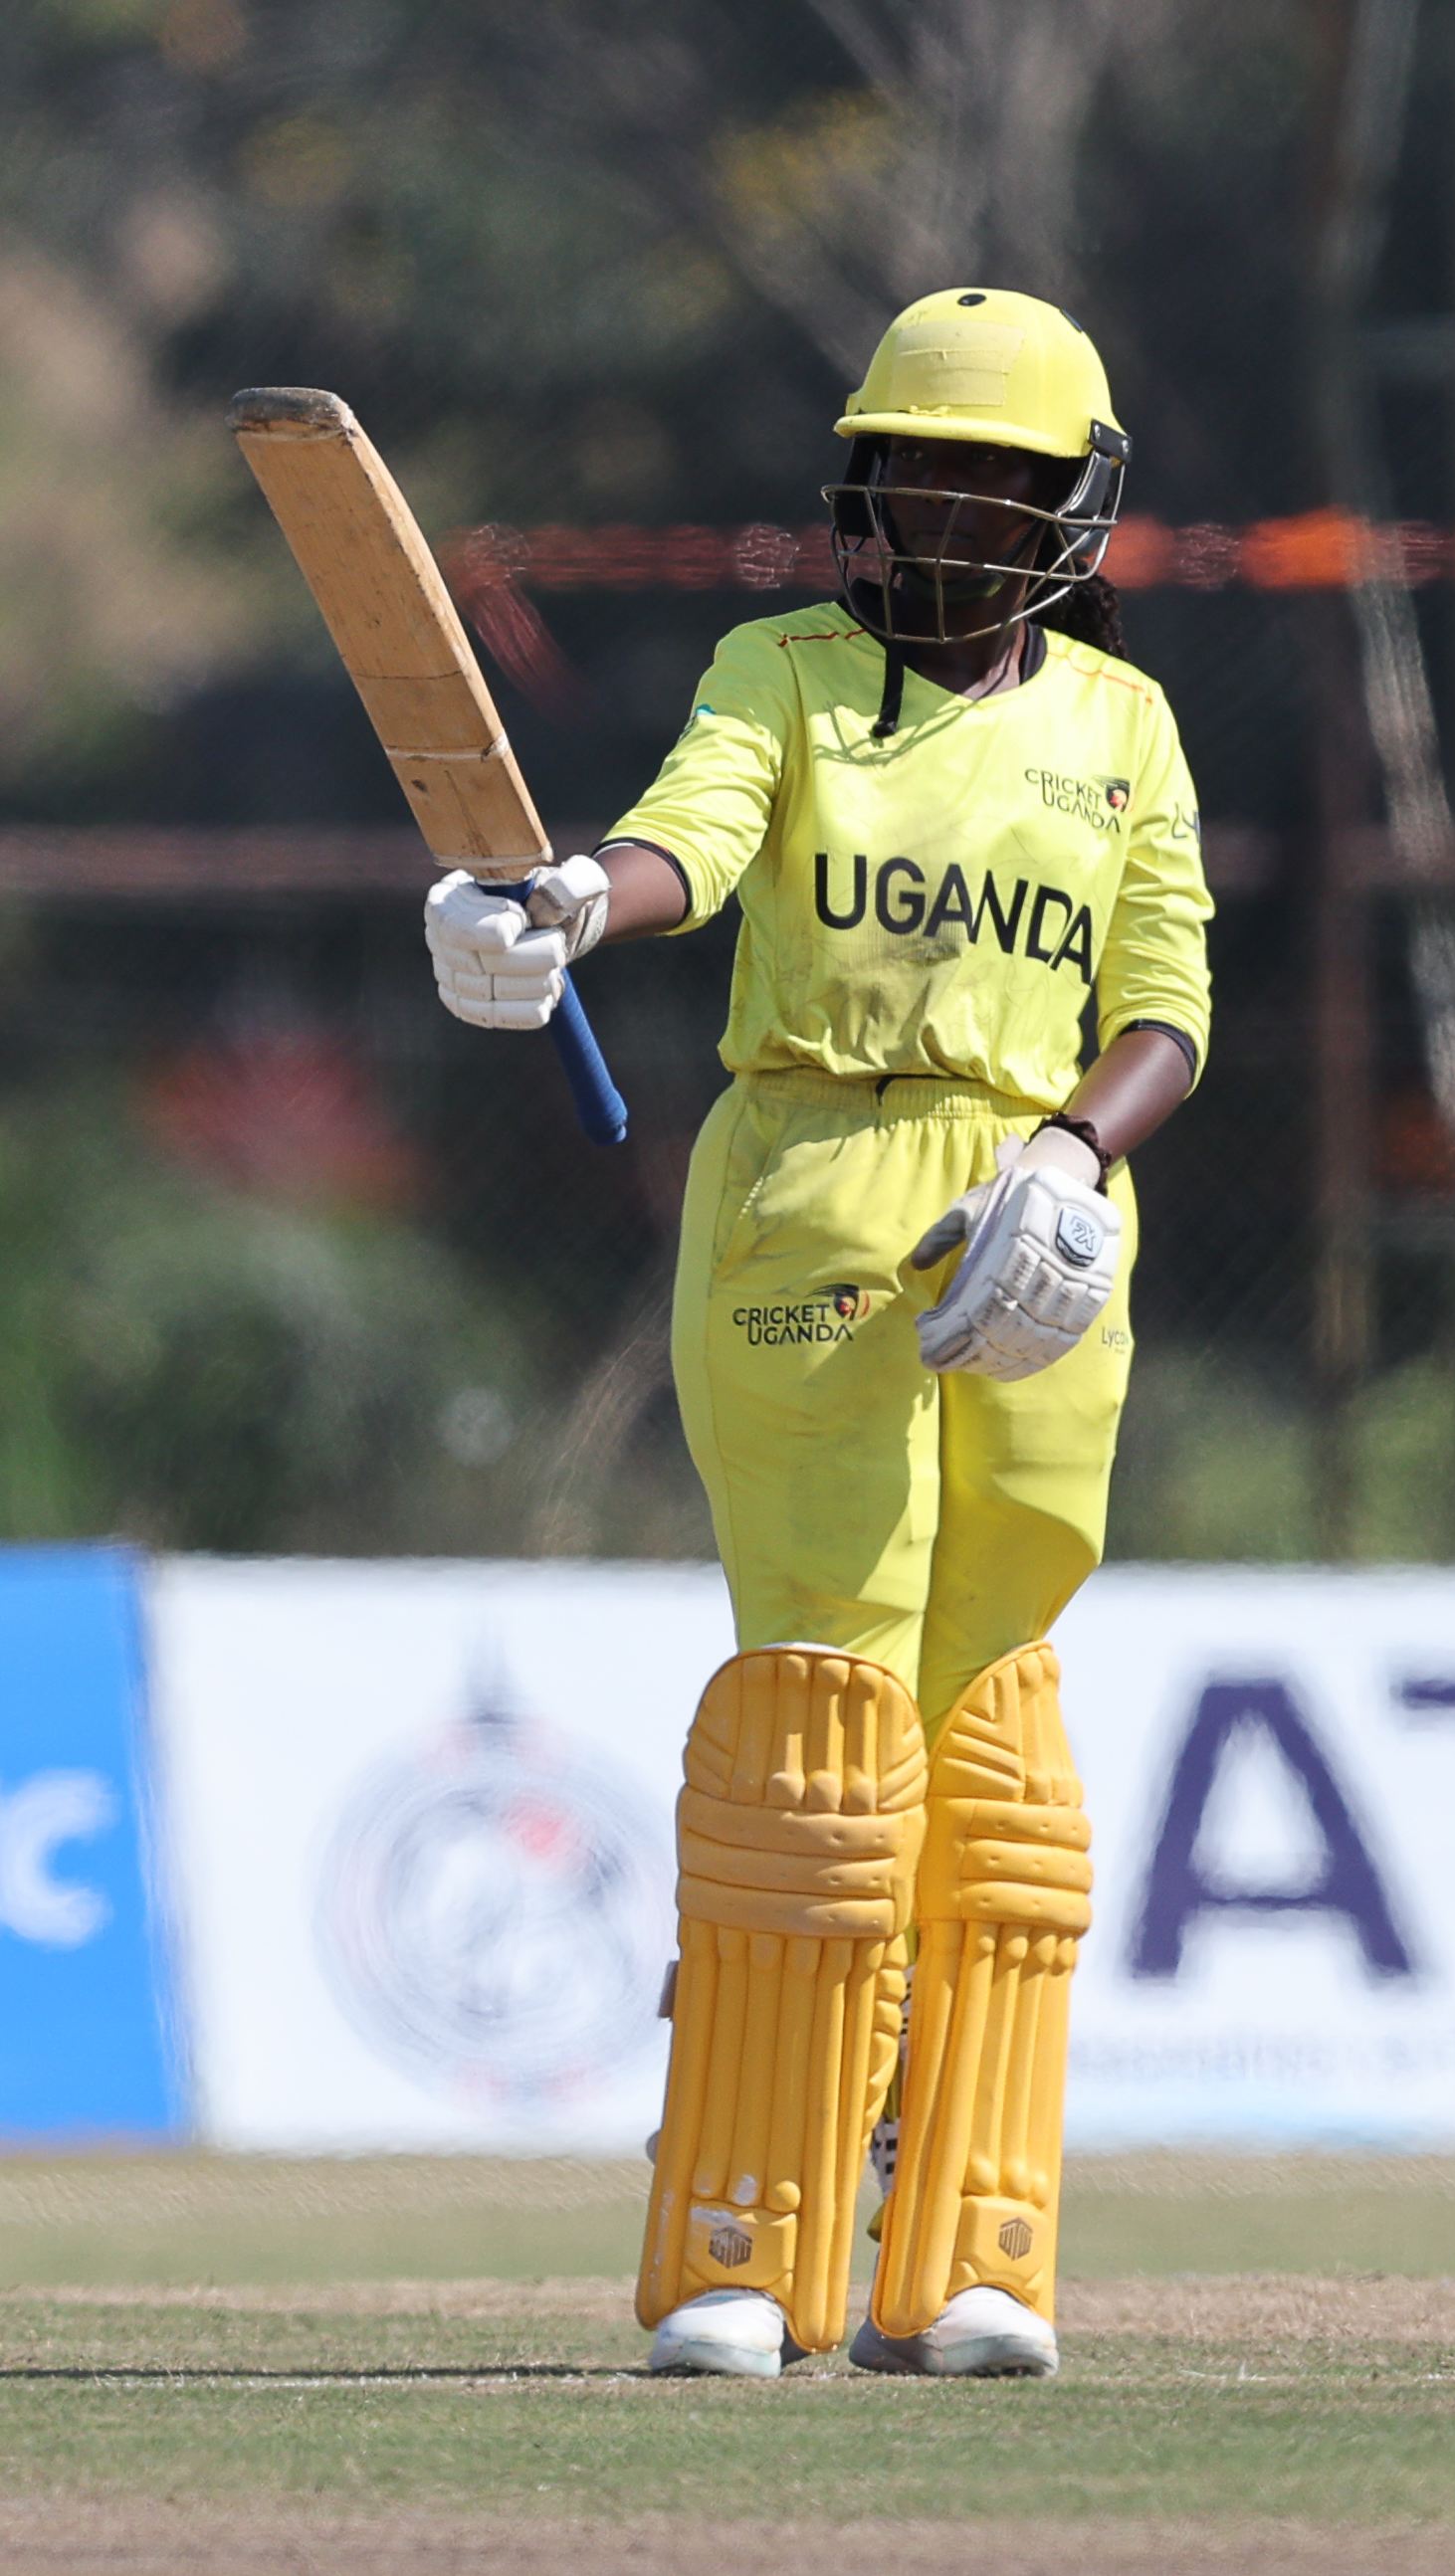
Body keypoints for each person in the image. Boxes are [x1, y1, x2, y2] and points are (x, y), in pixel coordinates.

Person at [426, 288, 1212, 2380]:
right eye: (913, 472)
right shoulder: (776, 670)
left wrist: (1073, 1152)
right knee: (828, 1707)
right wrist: (569, 903)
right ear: (863, 488)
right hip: (810, 1178)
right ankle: (746, 2237)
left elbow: (1165, 1004)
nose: (944, 512)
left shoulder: (1120, 725)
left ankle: (967, 2244)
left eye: (988, 480)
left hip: (1043, 1210)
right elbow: (691, 837)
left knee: (989, 1726)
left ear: (1064, 510)